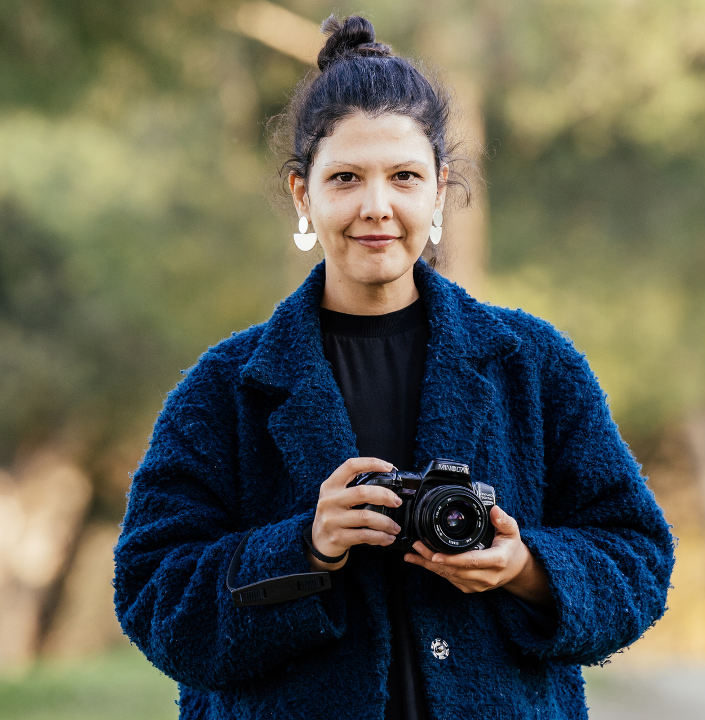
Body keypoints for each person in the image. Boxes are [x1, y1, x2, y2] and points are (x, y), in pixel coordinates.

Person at [114, 15, 674, 720]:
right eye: (345, 177)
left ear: (438, 191)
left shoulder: (533, 365)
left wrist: (525, 567)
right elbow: (149, 595)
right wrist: (306, 547)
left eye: (403, 177)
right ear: (301, 194)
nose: (376, 207)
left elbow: (637, 556)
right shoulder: (226, 387)